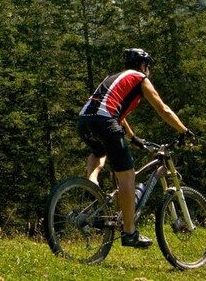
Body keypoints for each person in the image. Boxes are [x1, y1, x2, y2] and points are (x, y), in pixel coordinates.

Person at [76, 48, 194, 248]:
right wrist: (184, 131)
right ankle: (129, 233)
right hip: (106, 122)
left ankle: (92, 183)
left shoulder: (112, 77)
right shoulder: (139, 78)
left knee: (98, 152)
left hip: (84, 121)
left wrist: (134, 138)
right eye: (148, 66)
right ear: (143, 65)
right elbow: (162, 109)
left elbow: (115, 114)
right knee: (127, 177)